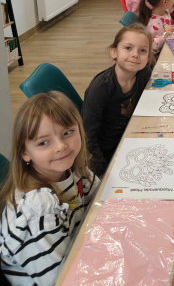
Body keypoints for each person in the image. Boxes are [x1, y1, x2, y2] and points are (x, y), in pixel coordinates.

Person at [0, 92, 99, 286]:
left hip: (78, 251)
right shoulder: (37, 211)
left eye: (67, 132)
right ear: (25, 153)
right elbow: (62, 280)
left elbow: (101, 201)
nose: (61, 146)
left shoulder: (73, 169)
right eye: (43, 142)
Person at [82, 24, 153, 176]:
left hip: (132, 140)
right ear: (114, 51)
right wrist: (103, 172)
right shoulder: (101, 88)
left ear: (148, 58)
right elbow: (88, 136)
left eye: (142, 50)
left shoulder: (143, 75)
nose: (135, 55)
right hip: (106, 155)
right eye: (128, 48)